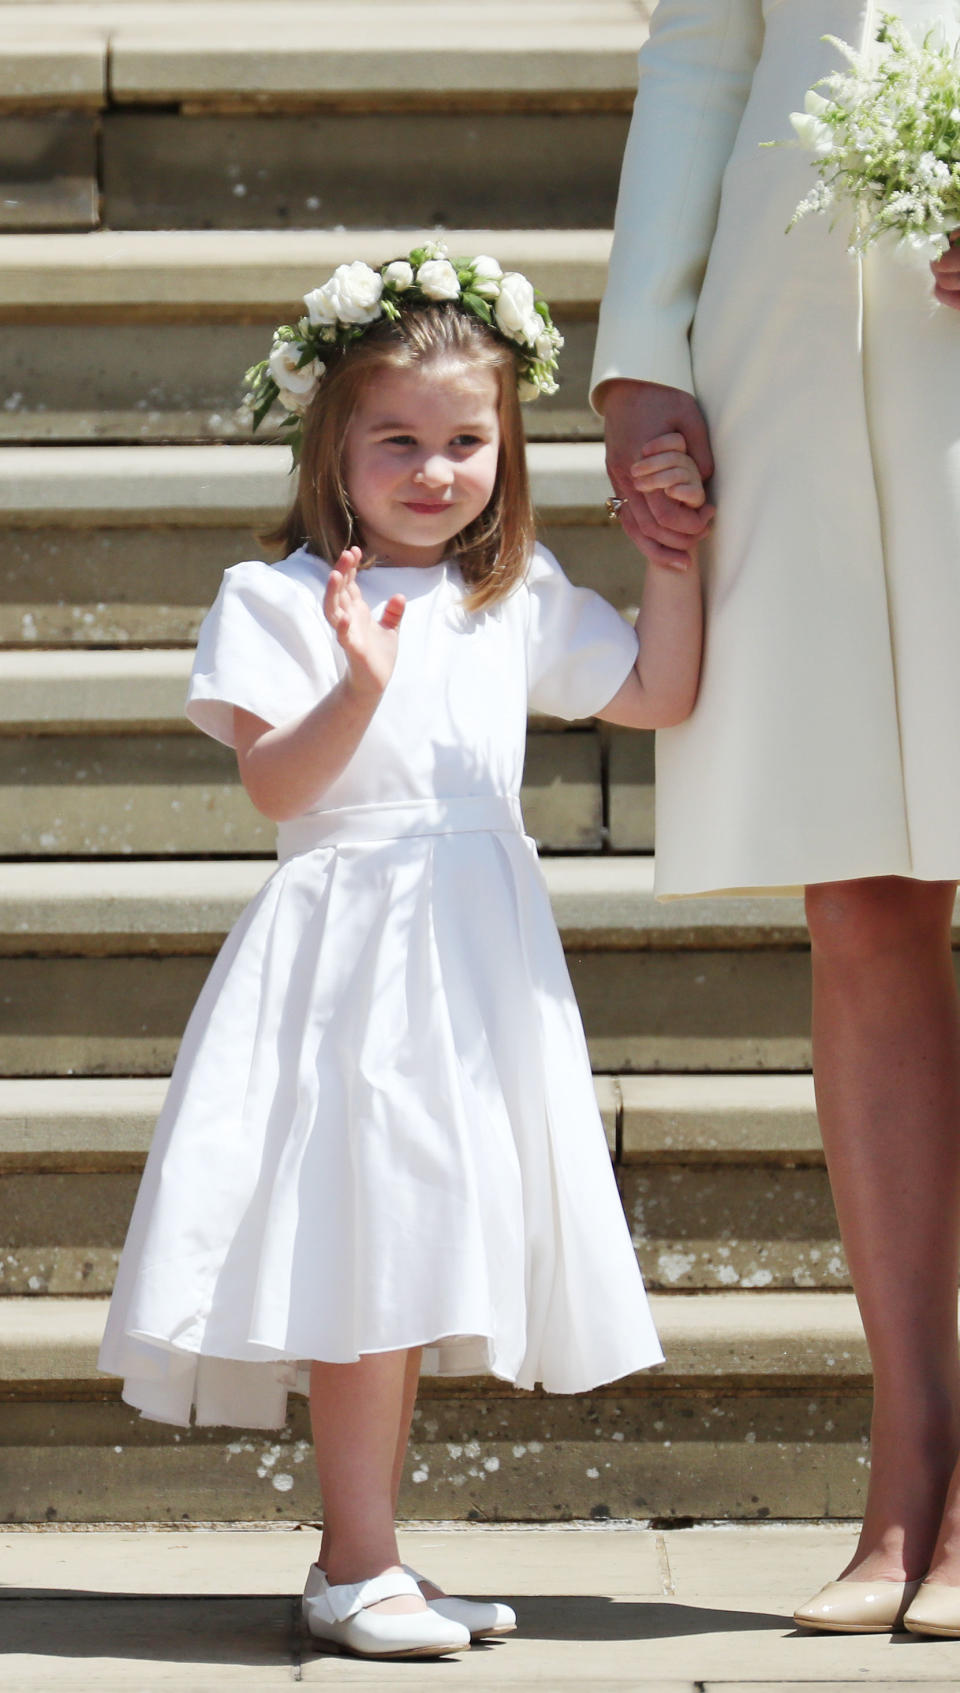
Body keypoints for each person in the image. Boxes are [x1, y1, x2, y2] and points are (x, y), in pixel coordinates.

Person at [99, 244, 706, 1660]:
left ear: (506, 444)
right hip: (348, 956)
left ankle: (370, 1554)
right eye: (400, 441)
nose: (436, 471)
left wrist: (676, 555)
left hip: (473, 963)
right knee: (366, 1241)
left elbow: (662, 691)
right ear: (336, 442)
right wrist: (356, 687)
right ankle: (352, 1559)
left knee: (425, 1233)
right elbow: (278, 791)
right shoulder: (277, 601)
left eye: (466, 440)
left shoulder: (518, 594)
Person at [591, 0, 960, 1638]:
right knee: (861, 896)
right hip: (787, 357)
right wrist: (642, 358)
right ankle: (909, 1461)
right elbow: (703, 50)